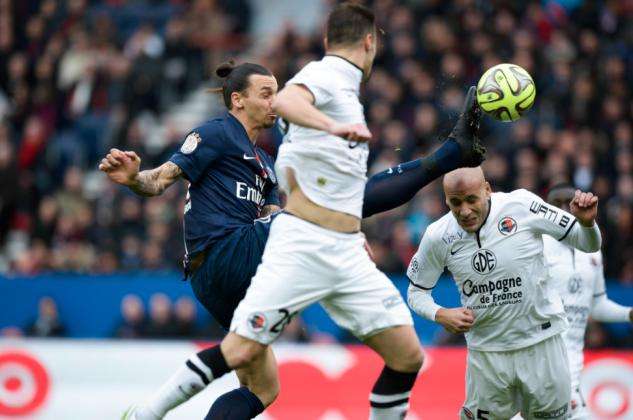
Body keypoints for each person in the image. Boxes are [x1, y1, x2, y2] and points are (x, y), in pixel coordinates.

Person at [108, 12, 483, 420]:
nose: (274, 100)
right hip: (222, 251)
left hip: (228, 279)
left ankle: (150, 414)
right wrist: (133, 179)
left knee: (263, 387)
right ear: (239, 100)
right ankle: (448, 155)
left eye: (275, 93)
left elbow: (280, 223)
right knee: (337, 203)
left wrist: (337, 232)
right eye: (266, 93)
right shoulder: (217, 134)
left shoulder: (266, 162)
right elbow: (160, 180)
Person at [407, 167, 602, 420]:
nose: (464, 210)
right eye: (455, 203)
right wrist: (440, 313)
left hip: (541, 346)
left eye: (471, 199)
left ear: (487, 190)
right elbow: (416, 292)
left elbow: (588, 243)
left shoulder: (522, 205)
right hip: (487, 354)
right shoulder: (438, 235)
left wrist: (587, 223)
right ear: (446, 200)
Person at [543, 183, 632, 419]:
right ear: (547, 210)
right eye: (557, 205)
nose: (564, 210)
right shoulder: (536, 247)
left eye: (568, 204)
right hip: (540, 366)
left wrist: (628, 314)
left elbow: (597, 305)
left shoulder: (592, 250)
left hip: (573, 370)